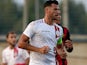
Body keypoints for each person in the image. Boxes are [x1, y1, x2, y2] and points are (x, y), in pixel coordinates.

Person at [18, 1, 64, 65]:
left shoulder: (59, 29)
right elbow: (20, 44)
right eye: (55, 9)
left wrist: (61, 52)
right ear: (47, 10)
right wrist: (39, 50)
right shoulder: (34, 25)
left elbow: (59, 45)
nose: (58, 12)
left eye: (58, 9)